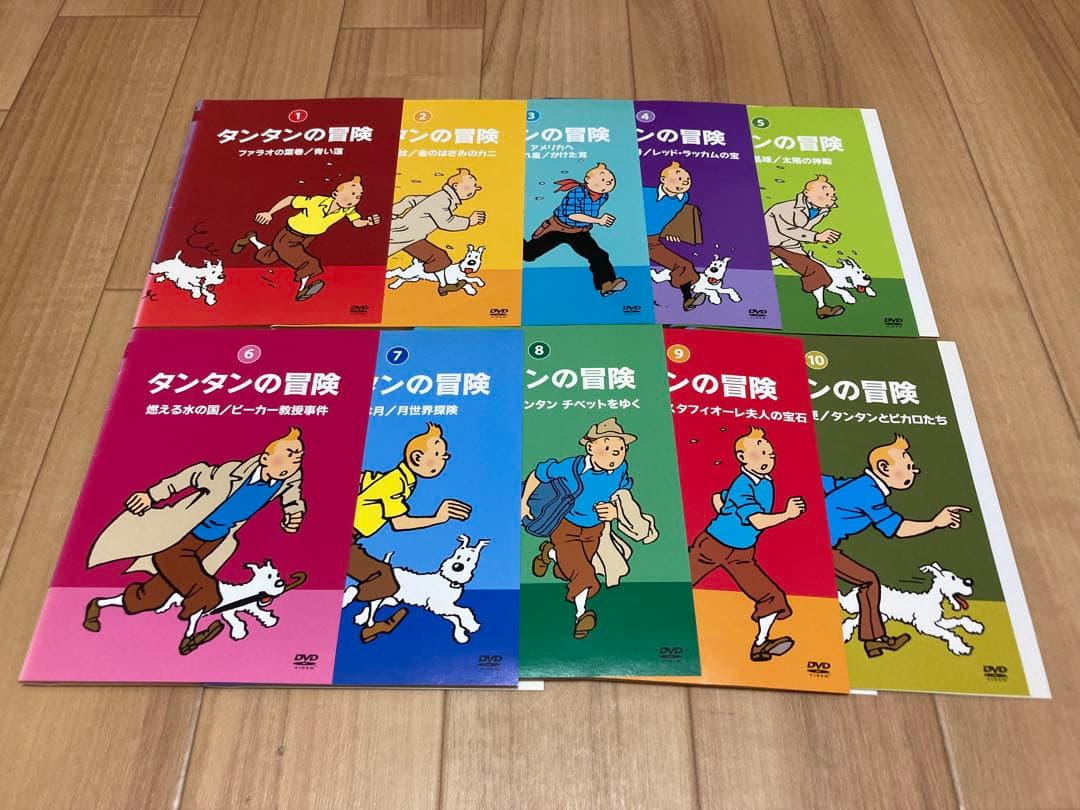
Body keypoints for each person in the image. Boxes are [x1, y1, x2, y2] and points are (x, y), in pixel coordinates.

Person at [83, 427, 306, 655]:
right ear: (265, 459)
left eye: (298, 457)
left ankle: (97, 605)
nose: (294, 461)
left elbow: (293, 498)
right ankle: (189, 637)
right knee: (205, 590)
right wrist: (151, 496)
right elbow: (192, 475)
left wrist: (294, 514)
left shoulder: (287, 479)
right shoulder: (228, 474)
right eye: (289, 454)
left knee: (151, 597)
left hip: (213, 543)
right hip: (178, 538)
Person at [823, 434, 971, 658]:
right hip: (817, 547)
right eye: (909, 466)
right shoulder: (869, 493)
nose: (915, 470)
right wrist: (935, 523)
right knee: (869, 581)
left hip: (821, 544)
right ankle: (874, 640)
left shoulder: (861, 484)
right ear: (884, 468)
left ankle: (873, 641)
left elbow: (827, 482)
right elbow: (898, 528)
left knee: (868, 581)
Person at [345, 423, 473, 642]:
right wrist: (438, 518)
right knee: (385, 580)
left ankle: (370, 627)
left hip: (351, 537)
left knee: (384, 580)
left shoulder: (402, 480)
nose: (444, 458)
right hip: (342, 540)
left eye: (444, 454)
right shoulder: (395, 483)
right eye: (437, 454)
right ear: (416, 458)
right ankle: (346, 599)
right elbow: (399, 523)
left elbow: (365, 478)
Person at [688, 427, 806, 662]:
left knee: (772, 596)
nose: (766, 459)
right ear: (741, 457)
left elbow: (719, 498)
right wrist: (788, 514)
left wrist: (725, 508)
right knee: (676, 584)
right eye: (759, 454)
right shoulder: (743, 484)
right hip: (713, 546)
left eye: (770, 455)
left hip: (742, 553)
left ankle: (761, 644)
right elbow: (757, 520)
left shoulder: (765, 483)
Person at [521, 417, 637, 640]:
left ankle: (549, 553)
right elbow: (538, 473)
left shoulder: (620, 470)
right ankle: (581, 616)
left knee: (567, 571)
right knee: (583, 573)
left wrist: (614, 511)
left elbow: (622, 492)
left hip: (594, 530)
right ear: (590, 447)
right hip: (566, 528)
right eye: (608, 449)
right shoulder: (571, 468)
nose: (614, 456)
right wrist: (523, 503)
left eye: (620, 450)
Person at [232, 176, 380, 301]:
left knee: (269, 257)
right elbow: (290, 199)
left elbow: (356, 222)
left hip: (308, 238)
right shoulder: (316, 201)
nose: (354, 199)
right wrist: (269, 213)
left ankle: (250, 238)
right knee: (309, 263)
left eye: (358, 196)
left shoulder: (348, 209)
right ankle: (302, 290)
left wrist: (368, 222)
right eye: (352, 194)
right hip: (289, 236)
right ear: (335, 194)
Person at [522, 162, 626, 296]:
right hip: (558, 228)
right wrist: (598, 220)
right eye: (602, 179)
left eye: (610, 180)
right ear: (588, 180)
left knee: (599, 255)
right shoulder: (577, 193)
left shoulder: (603, 195)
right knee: (528, 255)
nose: (607, 182)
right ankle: (509, 235)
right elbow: (572, 215)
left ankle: (606, 284)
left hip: (579, 232)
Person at [388, 169, 486, 295]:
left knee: (438, 257)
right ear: (455, 186)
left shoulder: (442, 197)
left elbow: (411, 200)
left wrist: (393, 212)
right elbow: (446, 222)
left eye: (475, 187)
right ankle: (441, 284)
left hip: (412, 236)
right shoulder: (442, 200)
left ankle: (444, 285)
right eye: (468, 187)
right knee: (439, 258)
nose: (473, 190)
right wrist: (469, 221)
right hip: (407, 236)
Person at [763, 174, 845, 319]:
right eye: (825, 193)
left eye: (832, 195)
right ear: (807, 193)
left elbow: (803, 228)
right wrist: (817, 236)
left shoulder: (820, 210)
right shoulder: (786, 208)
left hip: (790, 244)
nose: (831, 197)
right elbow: (787, 230)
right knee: (814, 270)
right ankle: (822, 308)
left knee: (810, 266)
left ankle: (776, 262)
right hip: (772, 241)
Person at [641, 161, 705, 311]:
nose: (683, 182)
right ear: (663, 179)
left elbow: (667, 216)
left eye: (686, 180)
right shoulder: (644, 193)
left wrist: (671, 232)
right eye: (678, 178)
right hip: (632, 236)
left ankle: (688, 299)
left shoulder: (682, 198)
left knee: (684, 265)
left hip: (652, 240)